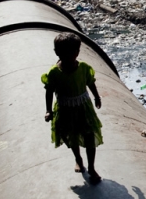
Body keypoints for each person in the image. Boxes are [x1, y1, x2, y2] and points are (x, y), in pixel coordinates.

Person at [42, 33, 103, 183]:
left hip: (83, 108)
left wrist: (97, 97)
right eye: (65, 53)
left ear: (78, 52)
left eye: (74, 52)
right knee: (72, 136)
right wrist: (48, 110)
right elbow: (49, 91)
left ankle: (91, 167)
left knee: (89, 136)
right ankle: (78, 159)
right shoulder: (54, 73)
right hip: (65, 109)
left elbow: (90, 82)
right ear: (57, 53)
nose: (70, 56)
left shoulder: (83, 68)